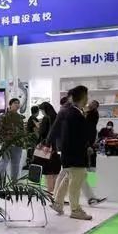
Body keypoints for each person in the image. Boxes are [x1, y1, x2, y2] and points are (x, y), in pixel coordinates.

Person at [51, 85, 93, 220]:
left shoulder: (68, 112)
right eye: (86, 96)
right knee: (76, 181)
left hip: (68, 152)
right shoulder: (75, 114)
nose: (88, 99)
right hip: (75, 153)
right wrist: (86, 146)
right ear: (83, 97)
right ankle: (75, 210)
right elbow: (79, 135)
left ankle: (58, 203)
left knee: (69, 177)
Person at [30, 102, 61, 194]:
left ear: (45, 110)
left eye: (42, 111)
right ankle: (55, 191)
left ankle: (50, 191)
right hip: (56, 148)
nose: (42, 113)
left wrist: (39, 127)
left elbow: (42, 133)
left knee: (48, 171)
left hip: (46, 148)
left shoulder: (46, 118)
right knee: (55, 170)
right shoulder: (57, 117)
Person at [81, 100, 107, 206]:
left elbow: (88, 130)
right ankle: (58, 199)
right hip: (78, 149)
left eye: (92, 104)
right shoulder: (86, 114)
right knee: (74, 175)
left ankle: (58, 199)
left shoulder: (91, 114)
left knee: (75, 175)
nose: (89, 104)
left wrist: (89, 145)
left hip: (82, 145)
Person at [0, 98, 25, 181]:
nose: (17, 105)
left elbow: (22, 131)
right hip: (7, 144)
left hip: (18, 144)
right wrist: (3, 141)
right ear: (10, 105)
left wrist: (23, 141)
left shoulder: (20, 117)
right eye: (15, 103)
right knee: (3, 163)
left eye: (18, 103)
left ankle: (13, 183)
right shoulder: (4, 116)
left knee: (16, 164)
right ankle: (0, 182)